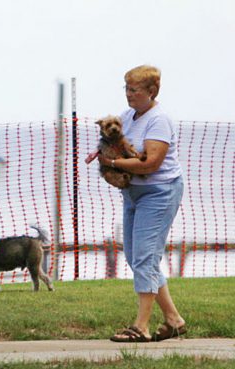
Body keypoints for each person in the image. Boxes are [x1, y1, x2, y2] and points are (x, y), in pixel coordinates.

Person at [89, 65, 186, 342]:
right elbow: (111, 144)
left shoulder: (159, 120)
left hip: (159, 192)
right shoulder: (127, 117)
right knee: (136, 257)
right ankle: (174, 320)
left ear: (152, 91)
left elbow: (151, 163)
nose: (129, 94)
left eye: (134, 90)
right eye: (126, 89)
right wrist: (104, 159)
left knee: (145, 257)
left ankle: (141, 327)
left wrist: (112, 163)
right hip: (133, 194)